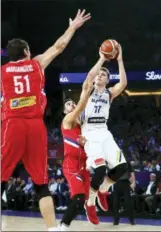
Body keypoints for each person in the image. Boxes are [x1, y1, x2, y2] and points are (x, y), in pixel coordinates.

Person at [1, 9, 91, 231]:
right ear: (26, 51)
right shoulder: (36, 64)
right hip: (35, 127)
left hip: (12, 125)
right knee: (41, 184)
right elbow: (59, 47)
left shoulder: (2, 72)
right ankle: (52, 228)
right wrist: (72, 27)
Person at [59, 51, 107, 231]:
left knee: (88, 196)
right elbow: (84, 95)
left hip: (84, 164)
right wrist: (88, 90)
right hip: (71, 165)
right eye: (68, 105)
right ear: (65, 112)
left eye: (73, 104)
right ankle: (63, 226)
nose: (72, 106)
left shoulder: (84, 126)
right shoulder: (68, 121)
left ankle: (100, 196)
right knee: (78, 196)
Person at [80, 44, 128, 225]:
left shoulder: (109, 93)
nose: (99, 76)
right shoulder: (87, 89)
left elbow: (123, 83)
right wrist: (102, 58)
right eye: (98, 74)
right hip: (90, 132)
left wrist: (120, 60)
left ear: (108, 80)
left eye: (103, 75)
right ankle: (90, 203)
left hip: (104, 132)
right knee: (100, 169)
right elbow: (89, 77)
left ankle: (103, 190)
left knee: (122, 168)